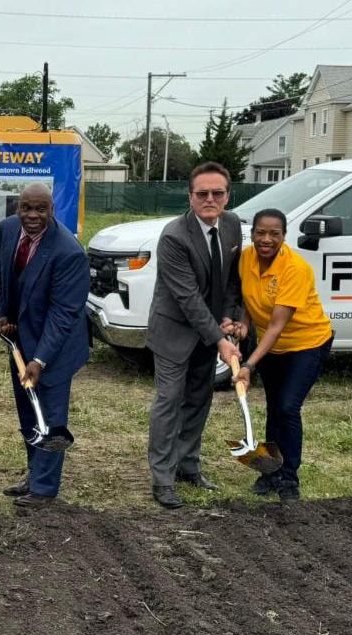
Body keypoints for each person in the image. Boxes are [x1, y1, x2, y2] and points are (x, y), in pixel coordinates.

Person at [146, 162, 244, 509]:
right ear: (190, 196)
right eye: (202, 193)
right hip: (174, 332)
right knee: (169, 402)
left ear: (227, 196)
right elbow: (187, 297)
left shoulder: (232, 225)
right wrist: (219, 337)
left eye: (217, 193)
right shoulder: (174, 237)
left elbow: (232, 279)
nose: (209, 199)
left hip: (210, 330)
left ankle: (189, 466)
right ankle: (162, 478)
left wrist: (231, 316)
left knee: (199, 400)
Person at [0, 183, 89, 509]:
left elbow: (64, 314)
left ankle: (45, 490)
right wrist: (4, 313)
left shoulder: (68, 252)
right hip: (21, 341)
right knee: (27, 413)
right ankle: (34, 475)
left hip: (55, 348)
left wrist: (40, 359)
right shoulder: (8, 229)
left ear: (52, 210)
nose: (32, 216)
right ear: (17, 208)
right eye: (26, 208)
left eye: (40, 209)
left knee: (49, 416)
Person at [231, 208, 334, 502]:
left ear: (283, 237)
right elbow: (250, 299)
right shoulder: (246, 258)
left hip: (306, 343)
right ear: (252, 235)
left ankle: (288, 477)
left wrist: (250, 363)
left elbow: (277, 325)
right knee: (274, 407)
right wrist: (244, 324)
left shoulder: (295, 268)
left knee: (288, 408)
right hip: (271, 345)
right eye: (261, 233)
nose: (266, 239)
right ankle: (269, 472)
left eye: (274, 234)